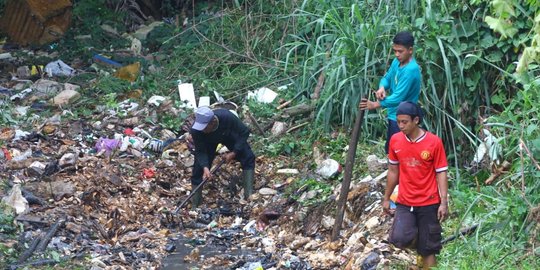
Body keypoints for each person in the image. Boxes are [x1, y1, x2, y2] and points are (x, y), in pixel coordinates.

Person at [382, 101, 449, 269]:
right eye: (398, 122)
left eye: (405, 122)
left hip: (429, 201)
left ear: (416, 120)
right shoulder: (395, 141)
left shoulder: (434, 142)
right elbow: (393, 171)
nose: (401, 125)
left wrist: (443, 201)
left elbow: (441, 172)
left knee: (429, 250)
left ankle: (424, 248)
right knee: (399, 239)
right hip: (405, 201)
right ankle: (421, 243)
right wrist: (386, 198)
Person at [359, 31, 421, 153]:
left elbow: (398, 97)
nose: (397, 54)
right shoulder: (397, 62)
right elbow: (387, 78)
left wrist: (375, 104)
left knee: (398, 151)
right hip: (394, 114)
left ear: (410, 50)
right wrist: (382, 87)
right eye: (395, 51)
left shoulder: (410, 70)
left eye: (400, 51)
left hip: (405, 117)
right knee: (392, 149)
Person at [189, 106, 256, 207]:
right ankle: (196, 204)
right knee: (198, 170)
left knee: (248, 156)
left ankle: (249, 195)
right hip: (208, 142)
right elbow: (200, 150)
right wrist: (205, 168)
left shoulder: (227, 117)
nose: (202, 130)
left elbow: (244, 132)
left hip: (228, 135)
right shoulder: (197, 130)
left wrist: (234, 152)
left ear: (212, 122)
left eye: (204, 127)